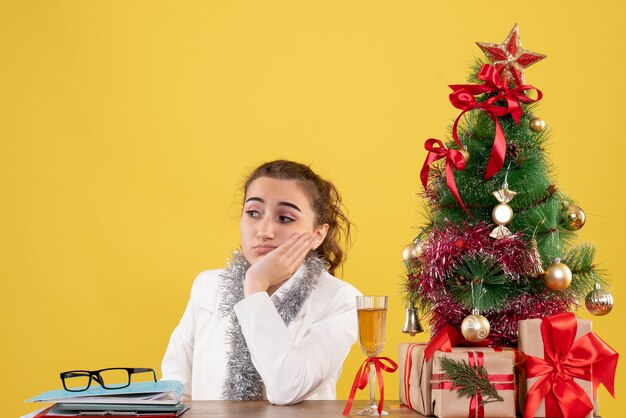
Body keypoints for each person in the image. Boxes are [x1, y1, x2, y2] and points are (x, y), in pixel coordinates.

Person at [161, 160, 361, 404]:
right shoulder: (207, 286)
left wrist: (255, 288)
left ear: (317, 235)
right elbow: (174, 390)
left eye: (285, 218)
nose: (264, 231)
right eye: (253, 213)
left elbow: (288, 388)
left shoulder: (341, 300)